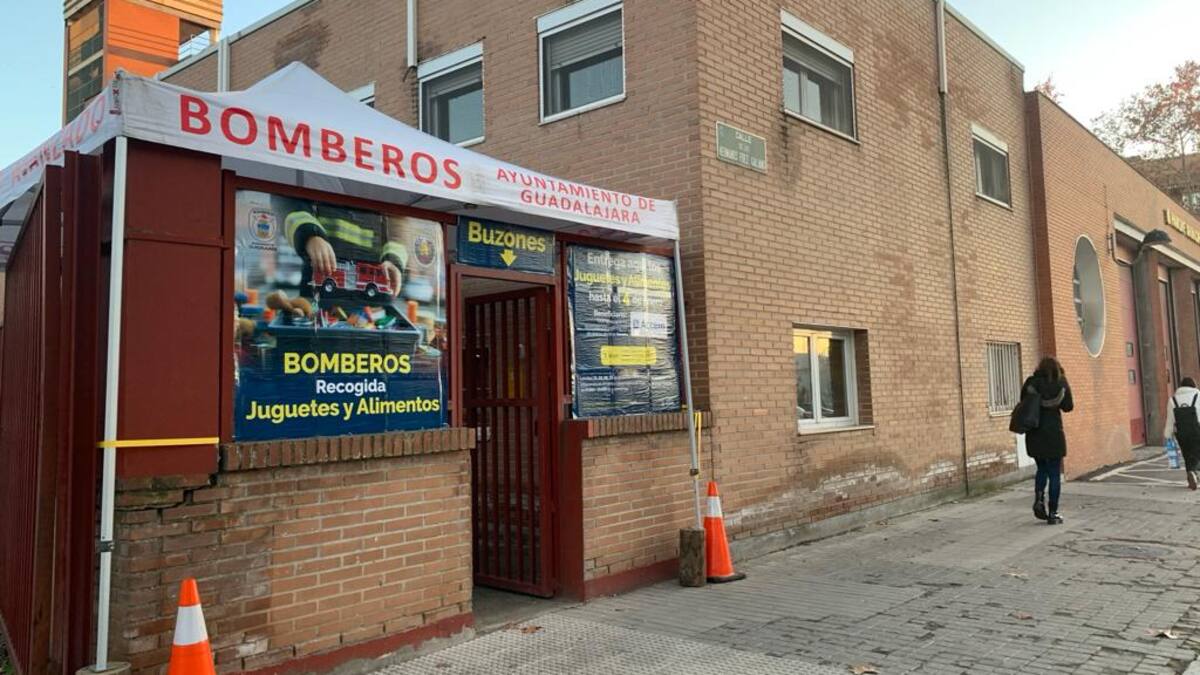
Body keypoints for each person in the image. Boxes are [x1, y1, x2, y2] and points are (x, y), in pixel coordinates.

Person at [283, 201, 407, 299]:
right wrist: (310, 233)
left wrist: (393, 259)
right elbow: (289, 201)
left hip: (373, 304)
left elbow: (398, 222)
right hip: (320, 297)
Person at [1023, 357, 1074, 525]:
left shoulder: (1031, 383)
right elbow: (1068, 406)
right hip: (1054, 434)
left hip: (1035, 434)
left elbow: (1023, 402)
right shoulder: (1061, 383)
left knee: (1042, 469)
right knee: (1054, 473)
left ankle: (1039, 499)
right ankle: (1053, 513)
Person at [1163, 377, 1200, 490]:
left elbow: (1170, 420)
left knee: (1188, 454)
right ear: (1194, 385)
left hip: (1182, 433)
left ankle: (1191, 474)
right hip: (1197, 430)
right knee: (1197, 453)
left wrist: (1167, 435)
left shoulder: (1172, 400)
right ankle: (1194, 472)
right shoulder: (1198, 396)